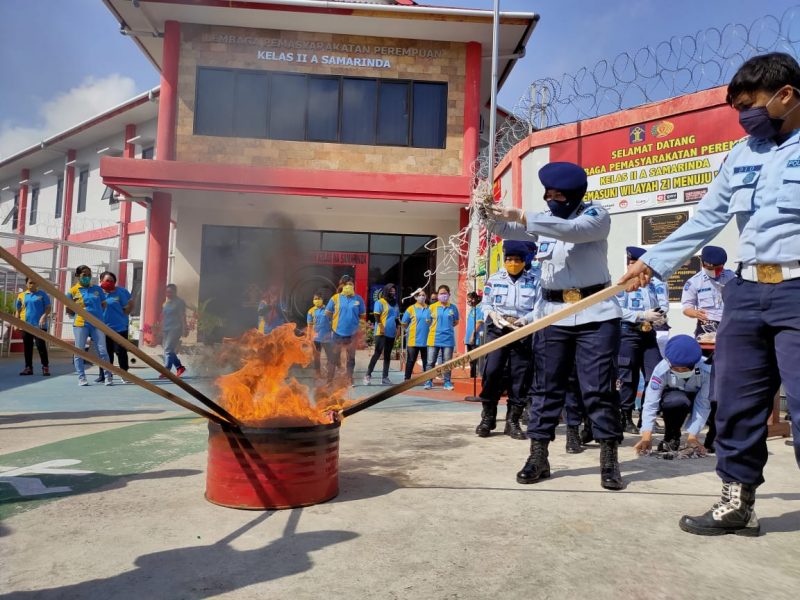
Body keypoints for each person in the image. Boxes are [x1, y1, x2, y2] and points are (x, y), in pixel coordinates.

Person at [620, 52, 800, 535]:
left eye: (750, 105)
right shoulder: (742, 154)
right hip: (744, 292)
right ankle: (737, 502)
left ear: (786, 95)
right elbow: (705, 219)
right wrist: (651, 262)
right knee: (736, 400)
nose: (744, 116)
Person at [489, 161, 625, 490]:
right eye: (547, 194)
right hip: (552, 313)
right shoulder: (544, 220)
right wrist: (486, 211)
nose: (550, 199)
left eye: (557, 195)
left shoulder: (596, 216)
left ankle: (608, 458)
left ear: (574, 194)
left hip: (595, 312)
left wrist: (522, 216)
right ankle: (539, 456)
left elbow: (571, 232)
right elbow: (505, 230)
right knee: (546, 387)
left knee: (597, 388)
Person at [474, 240, 539, 439]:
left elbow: (540, 307)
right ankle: (488, 416)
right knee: (493, 371)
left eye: (517, 260)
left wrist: (525, 320)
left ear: (523, 261)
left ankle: (513, 421)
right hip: (498, 329)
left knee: (520, 376)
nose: (512, 263)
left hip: (522, 330)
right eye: (509, 259)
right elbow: (485, 303)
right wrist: (493, 315)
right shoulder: (494, 279)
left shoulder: (534, 281)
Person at [616, 246, 669, 434]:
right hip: (628, 332)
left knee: (654, 373)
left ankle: (647, 417)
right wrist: (641, 314)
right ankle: (625, 416)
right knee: (628, 376)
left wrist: (661, 315)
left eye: (636, 263)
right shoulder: (622, 285)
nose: (633, 266)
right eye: (630, 263)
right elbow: (618, 311)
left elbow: (663, 304)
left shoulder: (657, 283)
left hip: (650, 333)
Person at [633, 335, 711, 455]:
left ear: (694, 364)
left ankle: (713, 439)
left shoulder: (706, 370)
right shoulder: (661, 369)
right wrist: (646, 437)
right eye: (675, 368)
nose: (679, 371)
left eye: (684, 369)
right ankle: (671, 436)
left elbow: (703, 403)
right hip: (675, 401)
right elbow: (650, 402)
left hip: (696, 399)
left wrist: (692, 437)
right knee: (677, 400)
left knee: (717, 399)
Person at [67, 265, 111, 386]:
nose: (87, 277)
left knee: (102, 351)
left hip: (97, 323)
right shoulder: (72, 291)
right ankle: (81, 378)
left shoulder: (97, 289)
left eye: (89, 274)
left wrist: (96, 314)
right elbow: (69, 309)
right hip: (81, 324)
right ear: (77, 276)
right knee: (79, 351)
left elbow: (103, 305)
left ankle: (108, 376)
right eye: (84, 275)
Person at [681, 245, 735, 338]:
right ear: (703, 264)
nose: (714, 271)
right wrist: (695, 313)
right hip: (706, 326)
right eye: (710, 269)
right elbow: (686, 308)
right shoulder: (694, 282)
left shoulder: (732, 277)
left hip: (730, 324)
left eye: (718, 268)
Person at [325, 275, 366, 385]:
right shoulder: (335, 298)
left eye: (351, 285)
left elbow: (362, 315)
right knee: (334, 358)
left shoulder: (358, 299)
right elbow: (328, 312)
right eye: (347, 284)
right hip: (337, 332)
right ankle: (330, 380)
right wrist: (334, 321)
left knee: (351, 358)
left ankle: (349, 378)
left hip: (352, 334)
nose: (349, 286)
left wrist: (359, 328)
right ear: (342, 286)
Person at [96, 271, 133, 383]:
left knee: (120, 352)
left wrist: (126, 313)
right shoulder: (96, 293)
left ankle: (124, 374)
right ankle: (105, 375)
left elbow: (130, 304)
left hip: (120, 328)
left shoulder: (121, 292)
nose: (110, 283)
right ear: (101, 281)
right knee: (105, 353)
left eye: (112, 281)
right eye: (107, 281)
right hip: (103, 328)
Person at [424, 285, 460, 391]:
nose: (443, 295)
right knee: (430, 362)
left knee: (447, 362)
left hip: (448, 339)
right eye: (441, 293)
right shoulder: (432, 307)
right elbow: (428, 321)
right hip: (433, 338)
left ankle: (447, 382)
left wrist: (447, 327)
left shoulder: (453, 308)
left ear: (449, 294)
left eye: (445, 293)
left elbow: (456, 321)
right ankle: (429, 381)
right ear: (438, 295)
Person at [364, 283, 400, 386]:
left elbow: (397, 318)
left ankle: (385, 377)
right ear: (386, 291)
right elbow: (376, 316)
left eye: (394, 291)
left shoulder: (395, 304)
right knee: (378, 353)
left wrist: (398, 329)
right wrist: (381, 327)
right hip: (381, 332)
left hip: (391, 332)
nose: (392, 293)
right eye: (390, 291)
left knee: (388, 355)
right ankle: (368, 375)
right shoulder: (380, 302)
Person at [15, 277, 51, 376]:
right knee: (27, 347)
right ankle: (28, 368)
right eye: (30, 283)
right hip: (25, 325)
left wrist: (44, 316)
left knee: (41, 346)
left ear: (37, 284)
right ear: (26, 284)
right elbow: (18, 311)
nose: (32, 285)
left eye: (34, 283)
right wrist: (16, 324)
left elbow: (48, 307)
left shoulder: (42, 294)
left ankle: (45, 367)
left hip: (39, 326)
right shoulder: (21, 296)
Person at [401, 289, 430, 382]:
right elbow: (404, 323)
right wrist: (409, 330)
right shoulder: (411, 309)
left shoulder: (429, 308)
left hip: (426, 340)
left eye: (424, 295)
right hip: (413, 340)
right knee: (411, 360)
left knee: (426, 361)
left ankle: (427, 380)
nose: (422, 297)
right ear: (415, 297)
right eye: (420, 295)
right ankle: (407, 378)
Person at [161, 283, 187, 378]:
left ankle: (166, 370)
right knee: (168, 350)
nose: (168, 294)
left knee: (168, 349)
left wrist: (185, 328)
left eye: (170, 292)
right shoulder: (166, 303)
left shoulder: (179, 302)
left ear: (175, 292)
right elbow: (164, 316)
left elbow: (182, 315)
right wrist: (160, 328)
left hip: (175, 329)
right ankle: (179, 367)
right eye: (167, 292)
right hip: (166, 329)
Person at [306, 291, 332, 378]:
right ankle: (318, 373)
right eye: (315, 299)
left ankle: (330, 372)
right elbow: (309, 325)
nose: (317, 300)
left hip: (327, 338)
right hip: (316, 339)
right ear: (313, 300)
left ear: (322, 300)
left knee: (330, 357)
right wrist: (308, 336)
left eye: (318, 299)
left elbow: (333, 322)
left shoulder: (328, 310)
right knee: (316, 358)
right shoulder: (311, 311)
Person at [464, 291, 484, 378]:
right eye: (467, 300)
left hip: (475, 339)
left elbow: (478, 323)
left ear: (475, 299)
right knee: (471, 359)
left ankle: (477, 376)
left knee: (475, 359)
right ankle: (472, 376)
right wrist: (466, 336)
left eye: (470, 299)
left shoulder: (479, 309)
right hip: (469, 338)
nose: (468, 302)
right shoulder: (473, 308)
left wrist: (472, 335)